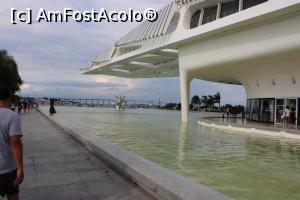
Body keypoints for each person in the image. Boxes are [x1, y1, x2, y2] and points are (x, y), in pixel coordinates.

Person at [0, 86, 24, 200]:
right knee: (12, 196)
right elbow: (15, 142)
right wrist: (20, 167)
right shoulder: (12, 116)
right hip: (8, 168)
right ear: (8, 98)